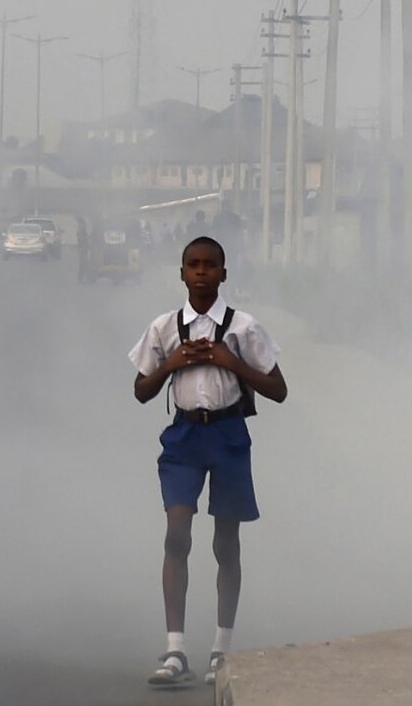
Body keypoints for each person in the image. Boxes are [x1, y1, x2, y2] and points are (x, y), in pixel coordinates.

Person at [129, 236, 288, 687]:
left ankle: (221, 648)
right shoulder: (164, 327)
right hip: (184, 435)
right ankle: (175, 649)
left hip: (228, 434)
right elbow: (141, 390)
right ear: (181, 273)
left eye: (210, 265)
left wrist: (230, 362)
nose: (201, 272)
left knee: (226, 542)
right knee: (177, 535)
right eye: (193, 265)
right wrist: (172, 364)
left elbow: (278, 389)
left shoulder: (242, 328)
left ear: (223, 273)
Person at [75, 216, 90, 284]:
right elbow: (82, 239)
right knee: (84, 264)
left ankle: (82, 278)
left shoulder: (81, 230)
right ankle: (82, 278)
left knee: (83, 264)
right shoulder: (82, 230)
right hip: (83, 249)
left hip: (83, 248)